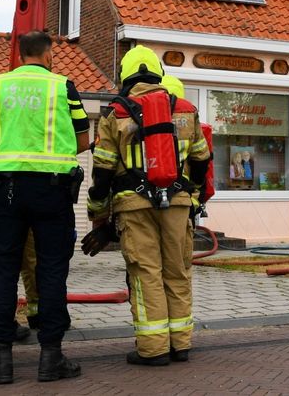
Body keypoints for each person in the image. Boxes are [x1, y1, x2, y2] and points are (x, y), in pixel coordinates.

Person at [0, 31, 90, 384]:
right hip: (52, 191)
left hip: (5, 191)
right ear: (48, 56)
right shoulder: (63, 87)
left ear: (19, 55)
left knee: (3, 270)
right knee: (51, 270)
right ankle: (51, 358)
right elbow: (82, 140)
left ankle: (0, 361)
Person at [85, 45, 211, 366]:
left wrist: (98, 214)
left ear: (125, 76)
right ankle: (180, 344)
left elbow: (102, 170)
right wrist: (193, 197)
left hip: (134, 206)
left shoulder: (115, 114)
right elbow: (201, 159)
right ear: (159, 73)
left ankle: (153, 349)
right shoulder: (185, 109)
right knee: (177, 272)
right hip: (178, 204)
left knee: (146, 274)